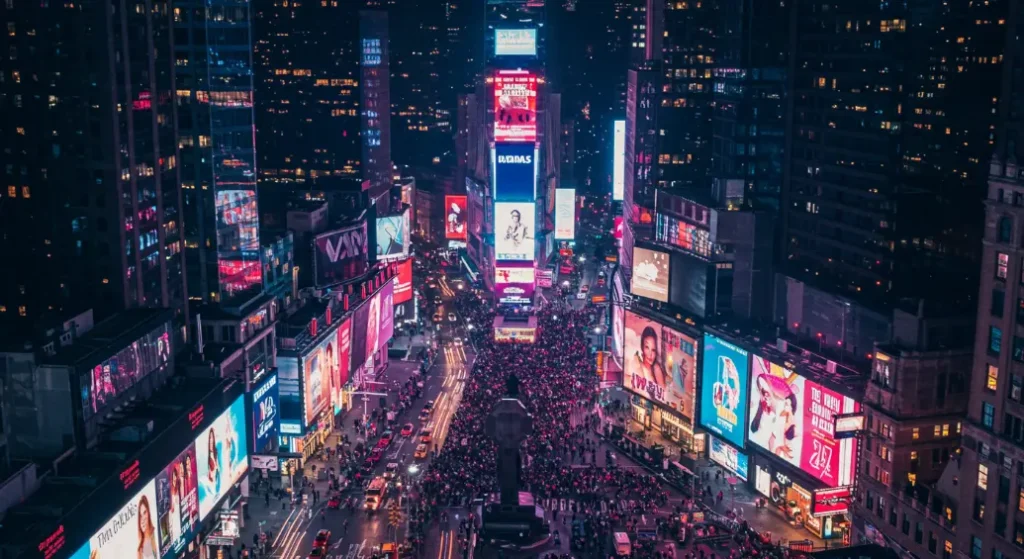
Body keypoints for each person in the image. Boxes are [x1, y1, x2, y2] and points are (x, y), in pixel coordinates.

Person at [629, 326, 667, 396]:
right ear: (642, 347)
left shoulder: (656, 369)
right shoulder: (636, 364)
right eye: (647, 347)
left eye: (653, 350)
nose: (650, 354)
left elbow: (664, 397)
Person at [137, 495, 159, 559]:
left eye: (144, 512)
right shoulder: (140, 549)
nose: (143, 518)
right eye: (141, 516)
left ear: (148, 512)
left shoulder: (155, 533)